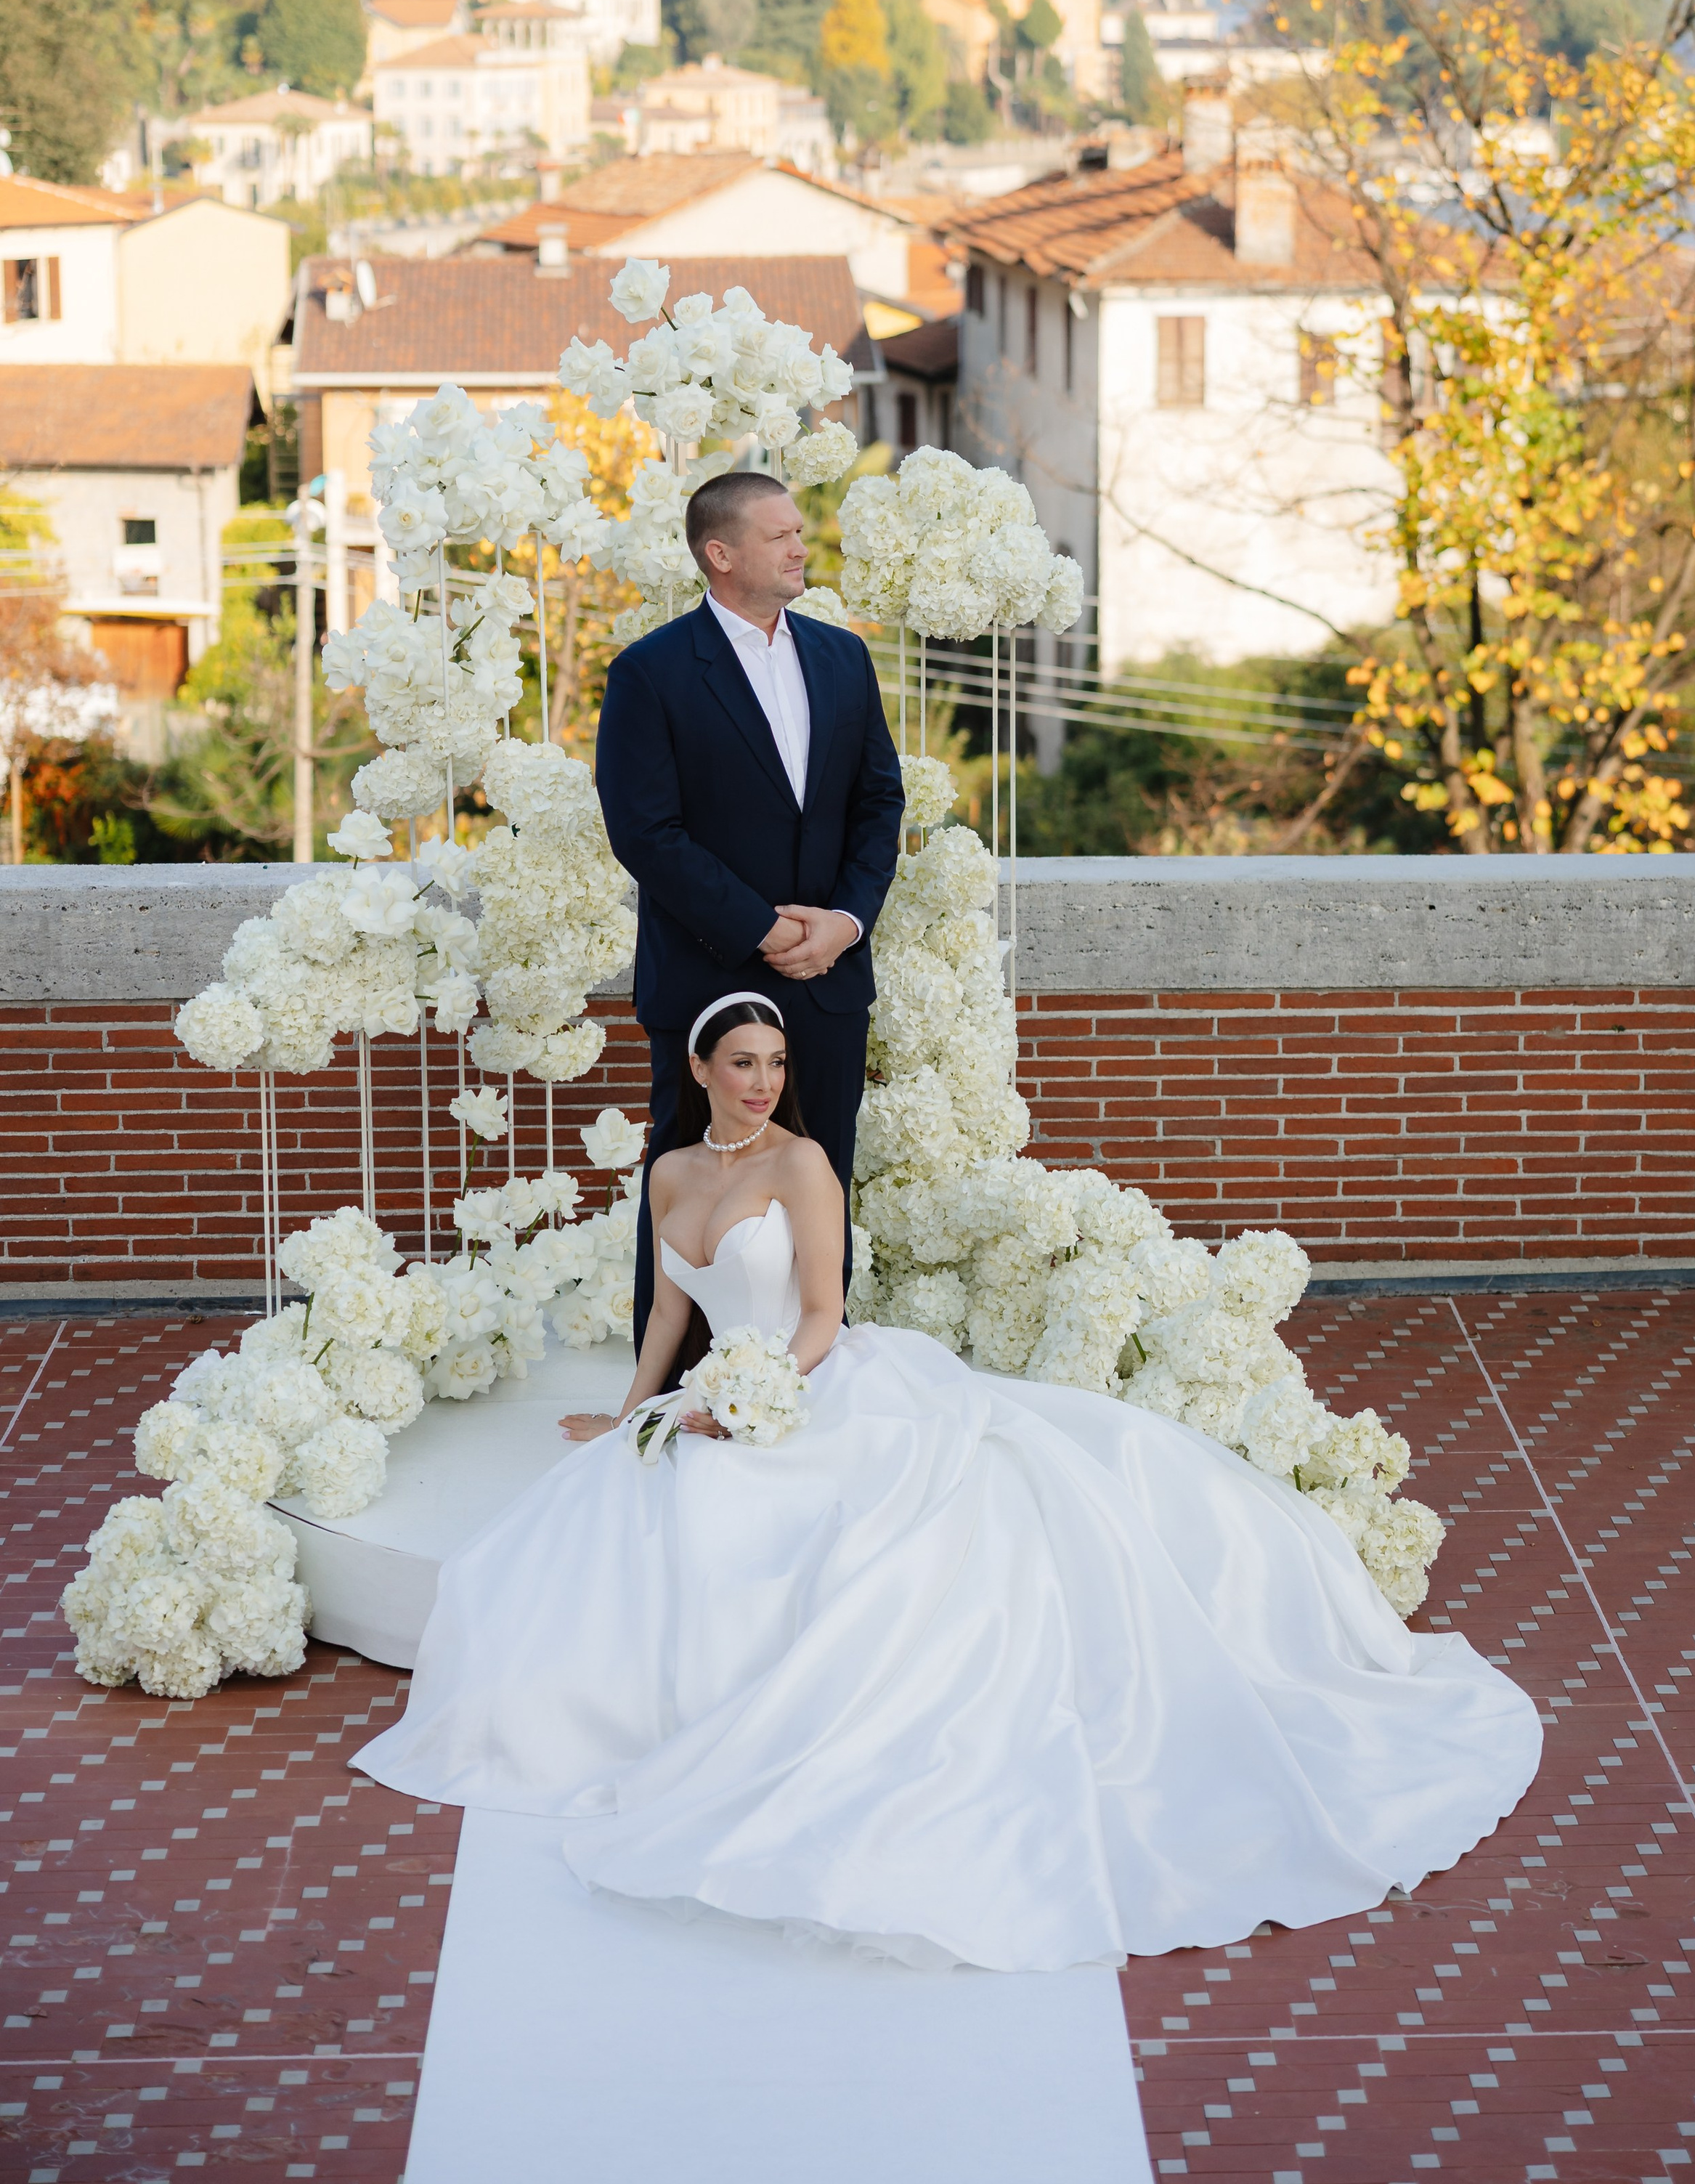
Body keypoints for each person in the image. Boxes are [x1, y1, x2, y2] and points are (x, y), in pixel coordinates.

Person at [355, 1001, 1541, 1974]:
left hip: (810, 1382)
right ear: (700, 1066)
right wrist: (635, 1417)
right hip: (714, 1386)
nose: (764, 1080)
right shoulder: (669, 1171)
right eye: (744, 1062)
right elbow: (670, 1307)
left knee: (787, 1521)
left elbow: (819, 1314)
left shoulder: (807, 1165)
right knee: (587, 1523)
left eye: (776, 1061)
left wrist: (754, 1391)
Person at [594, 468, 904, 1352]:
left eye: (799, 531)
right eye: (781, 535)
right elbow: (646, 833)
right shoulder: (650, 673)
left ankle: (813, 1381)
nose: (801, 546)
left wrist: (843, 923)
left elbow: (880, 801)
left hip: (832, 977)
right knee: (694, 1186)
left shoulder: (842, 655)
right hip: (708, 980)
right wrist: (763, 930)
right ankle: (677, 1395)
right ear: (719, 553)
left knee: (823, 1180)